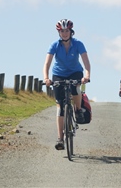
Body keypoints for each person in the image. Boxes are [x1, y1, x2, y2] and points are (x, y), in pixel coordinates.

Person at [43, 19, 91, 150]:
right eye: (62, 31)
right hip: (58, 74)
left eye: (67, 31)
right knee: (60, 105)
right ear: (59, 32)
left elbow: (86, 62)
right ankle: (60, 139)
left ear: (71, 32)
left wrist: (87, 76)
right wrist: (46, 78)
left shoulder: (78, 44)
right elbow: (47, 64)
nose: (64, 33)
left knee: (75, 88)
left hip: (75, 72)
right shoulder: (54, 45)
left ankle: (78, 109)